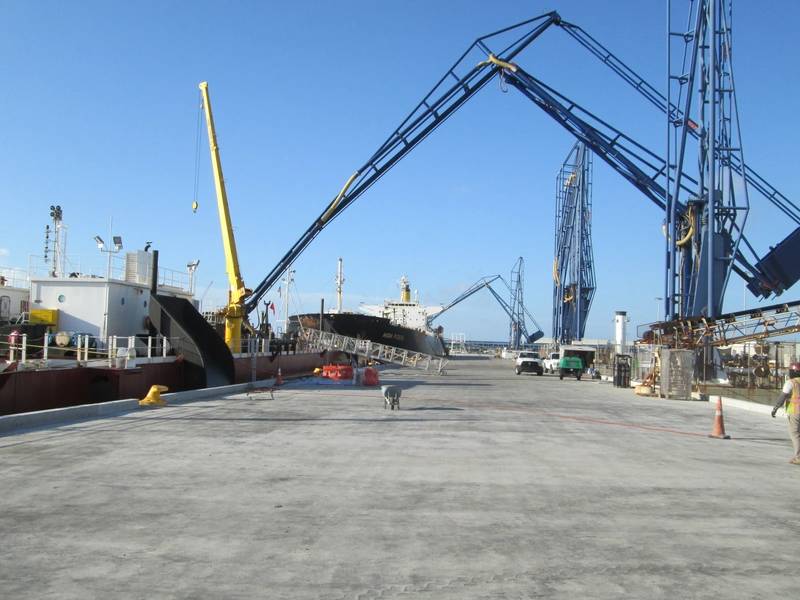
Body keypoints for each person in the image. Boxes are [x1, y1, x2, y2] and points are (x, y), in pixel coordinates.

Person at [771, 361, 800, 465]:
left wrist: (775, 408)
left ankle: (798, 457)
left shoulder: (791, 382)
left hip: (795, 411)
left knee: (795, 434)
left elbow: (783, 396)